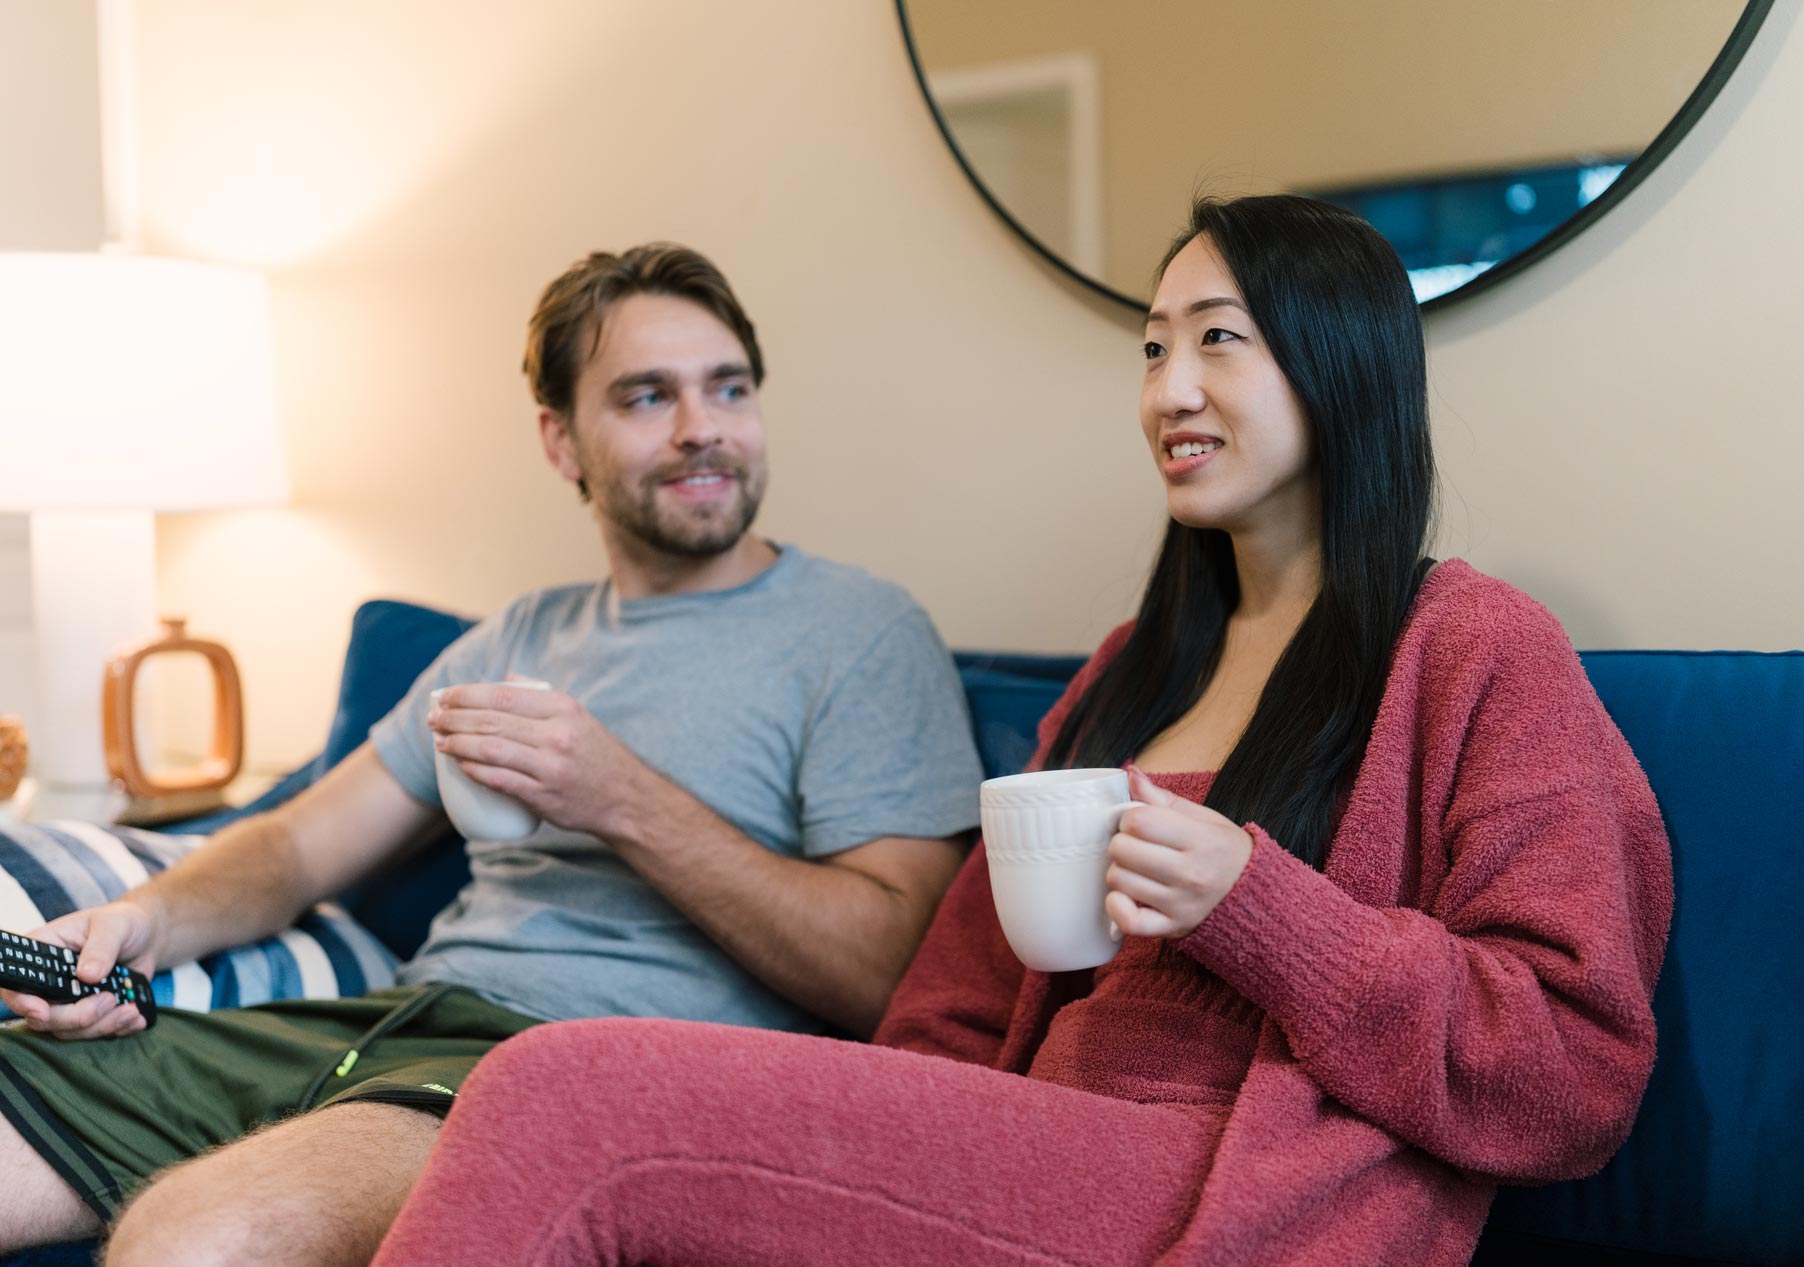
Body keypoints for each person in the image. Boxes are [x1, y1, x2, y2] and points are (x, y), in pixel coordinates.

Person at [367, 195, 1675, 1267]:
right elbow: (950, 1007)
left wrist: (1264, 906)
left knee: (559, 1090)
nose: (1170, 387)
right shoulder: (1134, 668)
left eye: (1219, 340)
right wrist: (860, 1165)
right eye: (1153, 348)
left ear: (1342, 362)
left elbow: (1571, 1069)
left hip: (1229, 1175)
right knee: (579, 1128)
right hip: (1024, 1149)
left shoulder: (1474, 646)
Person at [0, 244, 985, 1265]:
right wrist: (145, 919)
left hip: (577, 1068)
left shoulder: (860, 632)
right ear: (561, 442)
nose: (703, 428)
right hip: (378, 1021)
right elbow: (298, 847)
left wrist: (619, 796)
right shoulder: (520, 638)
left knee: (198, 1239)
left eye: (727, 388)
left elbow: (890, 975)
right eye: (648, 397)